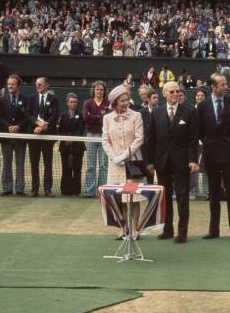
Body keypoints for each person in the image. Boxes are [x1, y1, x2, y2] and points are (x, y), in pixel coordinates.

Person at [146, 81, 199, 243]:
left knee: (182, 197)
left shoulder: (190, 111)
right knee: (165, 197)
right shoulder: (157, 112)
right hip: (162, 162)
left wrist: (192, 160)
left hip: (182, 161)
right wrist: (149, 161)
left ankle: (182, 233)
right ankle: (167, 230)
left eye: (177, 91)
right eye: (172, 92)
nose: (175, 94)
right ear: (164, 94)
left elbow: (193, 139)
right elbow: (151, 139)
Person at [197, 72, 230, 241]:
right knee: (214, 194)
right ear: (213, 87)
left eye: (225, 83)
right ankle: (213, 230)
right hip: (211, 155)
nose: (225, 86)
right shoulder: (202, 106)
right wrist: (212, 144)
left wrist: (227, 142)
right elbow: (201, 131)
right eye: (222, 84)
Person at [102, 85, 144, 240]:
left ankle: (135, 229)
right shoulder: (107, 118)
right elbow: (105, 140)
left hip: (133, 164)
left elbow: (139, 138)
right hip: (115, 166)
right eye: (122, 100)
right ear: (114, 102)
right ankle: (124, 228)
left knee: (133, 197)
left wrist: (124, 155)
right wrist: (114, 157)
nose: (126, 103)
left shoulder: (136, 116)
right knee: (120, 198)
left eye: (127, 100)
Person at [0, 74, 29, 196]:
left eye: (13, 84)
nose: (10, 86)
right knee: (6, 163)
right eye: (9, 84)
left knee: (20, 164)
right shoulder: (1, 100)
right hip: (6, 136)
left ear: (18, 86)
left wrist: (18, 126)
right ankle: (7, 188)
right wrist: (9, 126)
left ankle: (20, 189)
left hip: (20, 137)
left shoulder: (26, 100)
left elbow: (27, 117)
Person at [27, 77, 59, 197]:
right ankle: (34, 189)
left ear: (46, 85)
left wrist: (45, 125)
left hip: (47, 136)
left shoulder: (54, 98)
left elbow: (55, 114)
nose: (38, 86)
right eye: (36, 84)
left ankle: (47, 189)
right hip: (34, 135)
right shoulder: (31, 98)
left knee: (48, 163)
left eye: (40, 84)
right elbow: (28, 115)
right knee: (34, 163)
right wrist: (37, 123)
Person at [82, 80, 109, 197]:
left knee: (104, 165)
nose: (99, 91)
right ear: (93, 90)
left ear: (104, 91)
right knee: (90, 166)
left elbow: (108, 118)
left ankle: (101, 191)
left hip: (104, 136)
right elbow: (86, 118)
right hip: (91, 135)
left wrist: (94, 117)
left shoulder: (108, 103)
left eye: (101, 89)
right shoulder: (87, 103)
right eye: (97, 89)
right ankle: (89, 191)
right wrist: (100, 116)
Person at [58, 93, 86, 196]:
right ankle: (65, 191)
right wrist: (66, 139)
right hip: (64, 147)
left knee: (77, 169)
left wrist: (72, 139)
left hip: (78, 147)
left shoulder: (81, 115)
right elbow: (60, 130)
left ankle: (76, 191)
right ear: (67, 103)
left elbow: (81, 129)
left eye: (75, 102)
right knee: (66, 168)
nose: (73, 104)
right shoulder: (63, 115)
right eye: (71, 102)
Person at [189, 89, 208, 199]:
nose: (200, 97)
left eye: (202, 95)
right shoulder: (191, 110)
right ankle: (193, 191)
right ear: (195, 97)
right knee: (193, 166)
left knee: (206, 167)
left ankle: (206, 191)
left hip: (206, 143)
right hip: (194, 144)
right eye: (198, 95)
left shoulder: (209, 109)